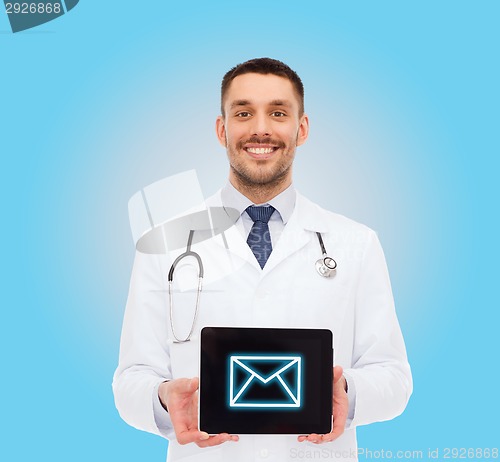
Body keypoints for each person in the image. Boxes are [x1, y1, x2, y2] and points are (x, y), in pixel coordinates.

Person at [113, 58, 413, 461]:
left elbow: (393, 377)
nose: (260, 129)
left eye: (277, 112)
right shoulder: (165, 244)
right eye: (243, 113)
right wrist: (164, 400)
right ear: (222, 130)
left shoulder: (356, 243)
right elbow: (131, 379)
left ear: (301, 129)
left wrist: (348, 395)